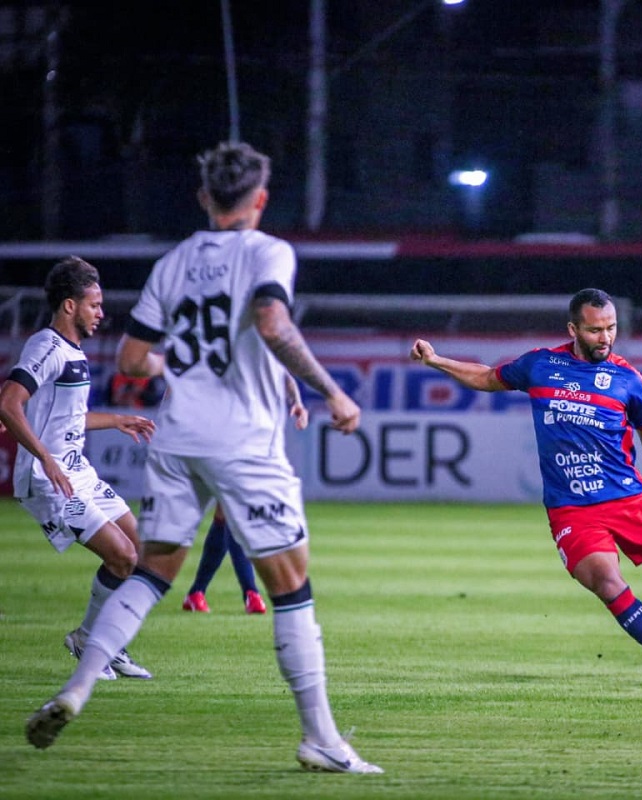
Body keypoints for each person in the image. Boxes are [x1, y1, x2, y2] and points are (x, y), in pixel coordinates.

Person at [25, 141, 382, 774]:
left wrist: (184, 364)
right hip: (243, 441)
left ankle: (78, 685)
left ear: (202, 198)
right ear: (261, 199)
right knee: (291, 587)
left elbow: (134, 362)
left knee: (153, 570)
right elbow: (272, 324)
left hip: (175, 438)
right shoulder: (269, 250)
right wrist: (332, 391)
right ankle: (321, 738)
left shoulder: (173, 261)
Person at [410, 287, 642, 687]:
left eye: (610, 328)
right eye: (595, 330)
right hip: (572, 510)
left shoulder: (628, 379)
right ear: (573, 329)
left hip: (627, 498)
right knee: (609, 583)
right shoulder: (541, 365)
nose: (605, 338)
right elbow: (489, 377)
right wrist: (435, 360)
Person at [0, 257, 156, 682]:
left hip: (77, 471)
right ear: (69, 306)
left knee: (141, 551)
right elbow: (9, 402)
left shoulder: (73, 352)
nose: (101, 313)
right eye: (94, 304)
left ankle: (106, 641)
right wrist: (45, 457)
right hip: (49, 480)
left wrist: (115, 420)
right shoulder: (46, 346)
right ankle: (90, 640)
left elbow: (66, 419)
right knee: (122, 556)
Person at [182, 374, 307, 615]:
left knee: (225, 517)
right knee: (235, 513)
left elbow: (285, 377)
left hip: (252, 443)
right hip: (222, 442)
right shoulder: (225, 353)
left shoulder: (260, 351)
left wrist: (297, 402)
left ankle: (197, 593)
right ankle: (251, 593)